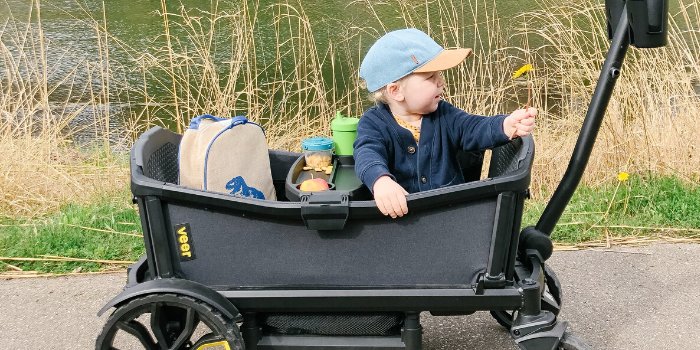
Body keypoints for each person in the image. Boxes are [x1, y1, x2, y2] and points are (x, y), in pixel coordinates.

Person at [354, 28, 536, 218]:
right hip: (400, 223)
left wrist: (506, 125)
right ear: (396, 91)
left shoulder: (444, 115)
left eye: (439, 75)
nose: (441, 82)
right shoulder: (373, 123)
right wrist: (381, 181)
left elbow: (472, 128)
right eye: (431, 77)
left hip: (450, 217)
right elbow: (366, 154)